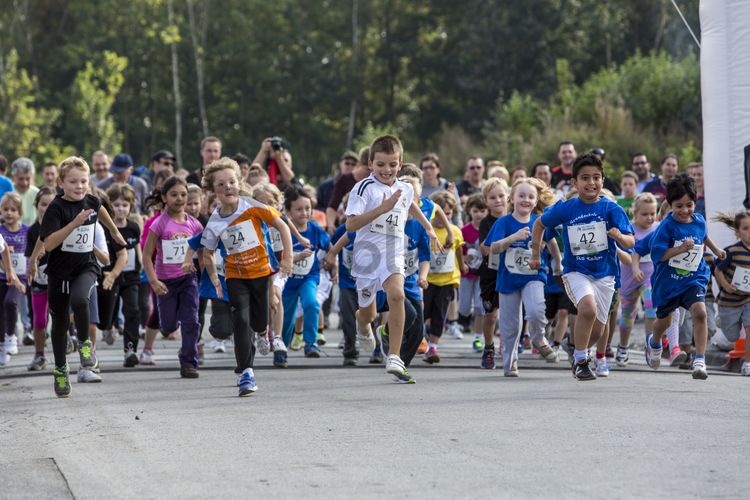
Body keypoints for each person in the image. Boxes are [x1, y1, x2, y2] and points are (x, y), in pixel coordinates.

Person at [530, 153, 634, 381]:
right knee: (587, 309)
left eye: (596, 178)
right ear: (574, 183)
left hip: (605, 274)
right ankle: (580, 361)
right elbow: (539, 224)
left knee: (597, 331)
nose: (591, 183)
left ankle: (576, 346)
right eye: (585, 178)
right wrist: (536, 254)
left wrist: (619, 237)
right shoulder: (566, 208)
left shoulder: (611, 209)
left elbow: (630, 241)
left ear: (603, 181)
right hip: (576, 271)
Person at [345, 135, 440, 380]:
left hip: (392, 254)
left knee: (397, 296)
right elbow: (351, 224)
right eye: (380, 164)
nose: (386, 170)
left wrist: (428, 228)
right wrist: (381, 209)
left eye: (392, 164)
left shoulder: (405, 187)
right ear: (370, 164)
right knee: (369, 314)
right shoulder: (364, 188)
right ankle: (362, 324)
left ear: (400, 163)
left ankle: (394, 356)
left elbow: (410, 205)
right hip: (367, 256)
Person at [200, 158, 293, 396]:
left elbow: (282, 226)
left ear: (239, 183)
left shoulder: (251, 206)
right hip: (235, 276)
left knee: (259, 321)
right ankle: (246, 373)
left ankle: (263, 332)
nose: (228, 187)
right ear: (213, 190)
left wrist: (287, 259)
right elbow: (208, 253)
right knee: (240, 320)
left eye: (232, 182)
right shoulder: (214, 222)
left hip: (261, 273)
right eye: (221, 185)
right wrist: (214, 279)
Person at [39, 156, 126, 397]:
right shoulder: (56, 208)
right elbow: (49, 243)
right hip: (58, 272)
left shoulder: (91, 200)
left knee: (80, 300)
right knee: (59, 324)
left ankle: (85, 345)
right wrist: (74, 224)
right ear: (61, 183)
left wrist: (115, 232)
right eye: (73, 182)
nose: (79, 186)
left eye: (83, 181)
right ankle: (60, 370)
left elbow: (101, 210)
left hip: (85, 266)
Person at [644, 174, 725, 380]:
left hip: (693, 277)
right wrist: (680, 249)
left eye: (689, 205)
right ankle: (654, 343)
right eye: (678, 206)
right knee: (664, 322)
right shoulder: (666, 227)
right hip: (668, 282)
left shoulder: (698, 220)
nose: (684, 210)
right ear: (670, 205)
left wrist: (716, 250)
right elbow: (658, 255)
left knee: (700, 313)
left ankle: (699, 359)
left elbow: (704, 235)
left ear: (695, 203)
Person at [484, 177, 559, 376]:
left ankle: (539, 338)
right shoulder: (504, 222)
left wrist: (558, 263)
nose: (526, 200)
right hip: (508, 279)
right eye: (521, 196)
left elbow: (551, 243)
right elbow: (493, 248)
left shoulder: (539, 222)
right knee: (510, 326)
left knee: (535, 311)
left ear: (536, 201)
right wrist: (513, 238)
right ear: (512, 198)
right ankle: (510, 363)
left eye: (531, 196)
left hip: (533, 275)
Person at [142, 176, 203, 379]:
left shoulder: (194, 225)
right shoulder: (159, 224)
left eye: (183, 195)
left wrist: (207, 275)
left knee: (191, 321)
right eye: (174, 195)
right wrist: (153, 280)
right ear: (165, 198)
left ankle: (188, 362)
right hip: (165, 282)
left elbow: (203, 254)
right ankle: (177, 336)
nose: (179, 199)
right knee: (168, 326)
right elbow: (146, 255)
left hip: (188, 280)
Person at [280, 186, 330, 362]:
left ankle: (311, 343)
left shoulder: (315, 229)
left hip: (309, 277)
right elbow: (278, 258)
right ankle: (282, 348)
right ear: (288, 211)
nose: (304, 213)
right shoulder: (282, 229)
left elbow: (329, 248)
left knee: (312, 303)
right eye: (299, 209)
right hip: (288, 279)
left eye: (307, 208)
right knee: (286, 316)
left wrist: (334, 264)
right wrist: (296, 257)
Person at [102, 183, 143, 366]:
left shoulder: (133, 227)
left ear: (131, 206)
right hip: (110, 275)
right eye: (117, 205)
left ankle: (130, 349)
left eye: (125, 205)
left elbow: (136, 246)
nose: (121, 209)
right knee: (109, 309)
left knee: (132, 310)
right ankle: (108, 326)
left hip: (131, 277)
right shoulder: (105, 228)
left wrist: (141, 263)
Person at [422, 191, 465, 364]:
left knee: (440, 313)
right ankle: (420, 336)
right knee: (424, 312)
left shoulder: (454, 231)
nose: (444, 218)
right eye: (441, 213)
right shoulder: (426, 230)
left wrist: (462, 266)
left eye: (448, 214)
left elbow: (459, 249)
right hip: (428, 280)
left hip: (448, 280)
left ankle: (433, 347)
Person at [617, 193, 660, 366]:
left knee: (651, 308)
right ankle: (623, 346)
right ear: (635, 213)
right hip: (629, 274)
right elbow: (623, 251)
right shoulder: (628, 229)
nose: (649, 218)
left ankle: (651, 346)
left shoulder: (658, 227)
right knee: (628, 314)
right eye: (645, 214)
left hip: (650, 274)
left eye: (653, 213)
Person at [713, 210, 750, 376]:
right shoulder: (732, 251)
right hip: (729, 301)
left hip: (748, 300)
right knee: (732, 336)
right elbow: (717, 270)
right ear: (738, 232)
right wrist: (726, 286)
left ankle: (748, 364)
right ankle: (722, 319)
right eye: (746, 228)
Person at [477, 177, 509, 369]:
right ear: (486, 201)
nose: (498, 200)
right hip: (491, 273)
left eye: (501, 196)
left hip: (512, 271)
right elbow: (485, 248)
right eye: (492, 197)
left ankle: (508, 347)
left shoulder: (516, 218)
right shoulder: (486, 223)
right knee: (491, 315)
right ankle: (489, 348)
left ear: (508, 197)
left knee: (510, 314)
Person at [25, 187, 56, 370]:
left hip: (59, 279)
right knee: (39, 320)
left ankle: (68, 339)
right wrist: (34, 260)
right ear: (37, 206)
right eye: (44, 204)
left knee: (61, 317)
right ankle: (39, 355)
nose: (47, 208)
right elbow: (29, 256)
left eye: (52, 204)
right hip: (39, 281)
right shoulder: (32, 231)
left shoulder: (62, 226)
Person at [0, 192, 28, 361]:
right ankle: (2, 346)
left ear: (19, 212)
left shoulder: (26, 231)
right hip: (2, 276)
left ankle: (11, 336)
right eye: (5, 209)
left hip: (20, 277)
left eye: (13, 210)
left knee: (10, 303)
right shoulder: (0, 231)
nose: (9, 213)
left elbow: (33, 251)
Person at [458, 194, 488, 352]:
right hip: (467, 274)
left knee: (479, 307)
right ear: (469, 211)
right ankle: (461, 320)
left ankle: (478, 338)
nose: (479, 214)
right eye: (476, 211)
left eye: (483, 211)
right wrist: (464, 258)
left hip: (482, 274)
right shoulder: (464, 231)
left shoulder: (489, 229)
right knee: (463, 309)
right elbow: (458, 253)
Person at [326, 147, 370, 234]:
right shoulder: (345, 179)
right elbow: (333, 205)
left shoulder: (378, 180)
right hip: (349, 225)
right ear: (360, 164)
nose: (369, 173)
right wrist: (330, 225)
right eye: (367, 169)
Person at [11, 157, 39, 225]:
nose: (24, 183)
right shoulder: (9, 192)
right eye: (21, 179)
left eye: (28, 179)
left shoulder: (37, 193)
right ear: (13, 177)